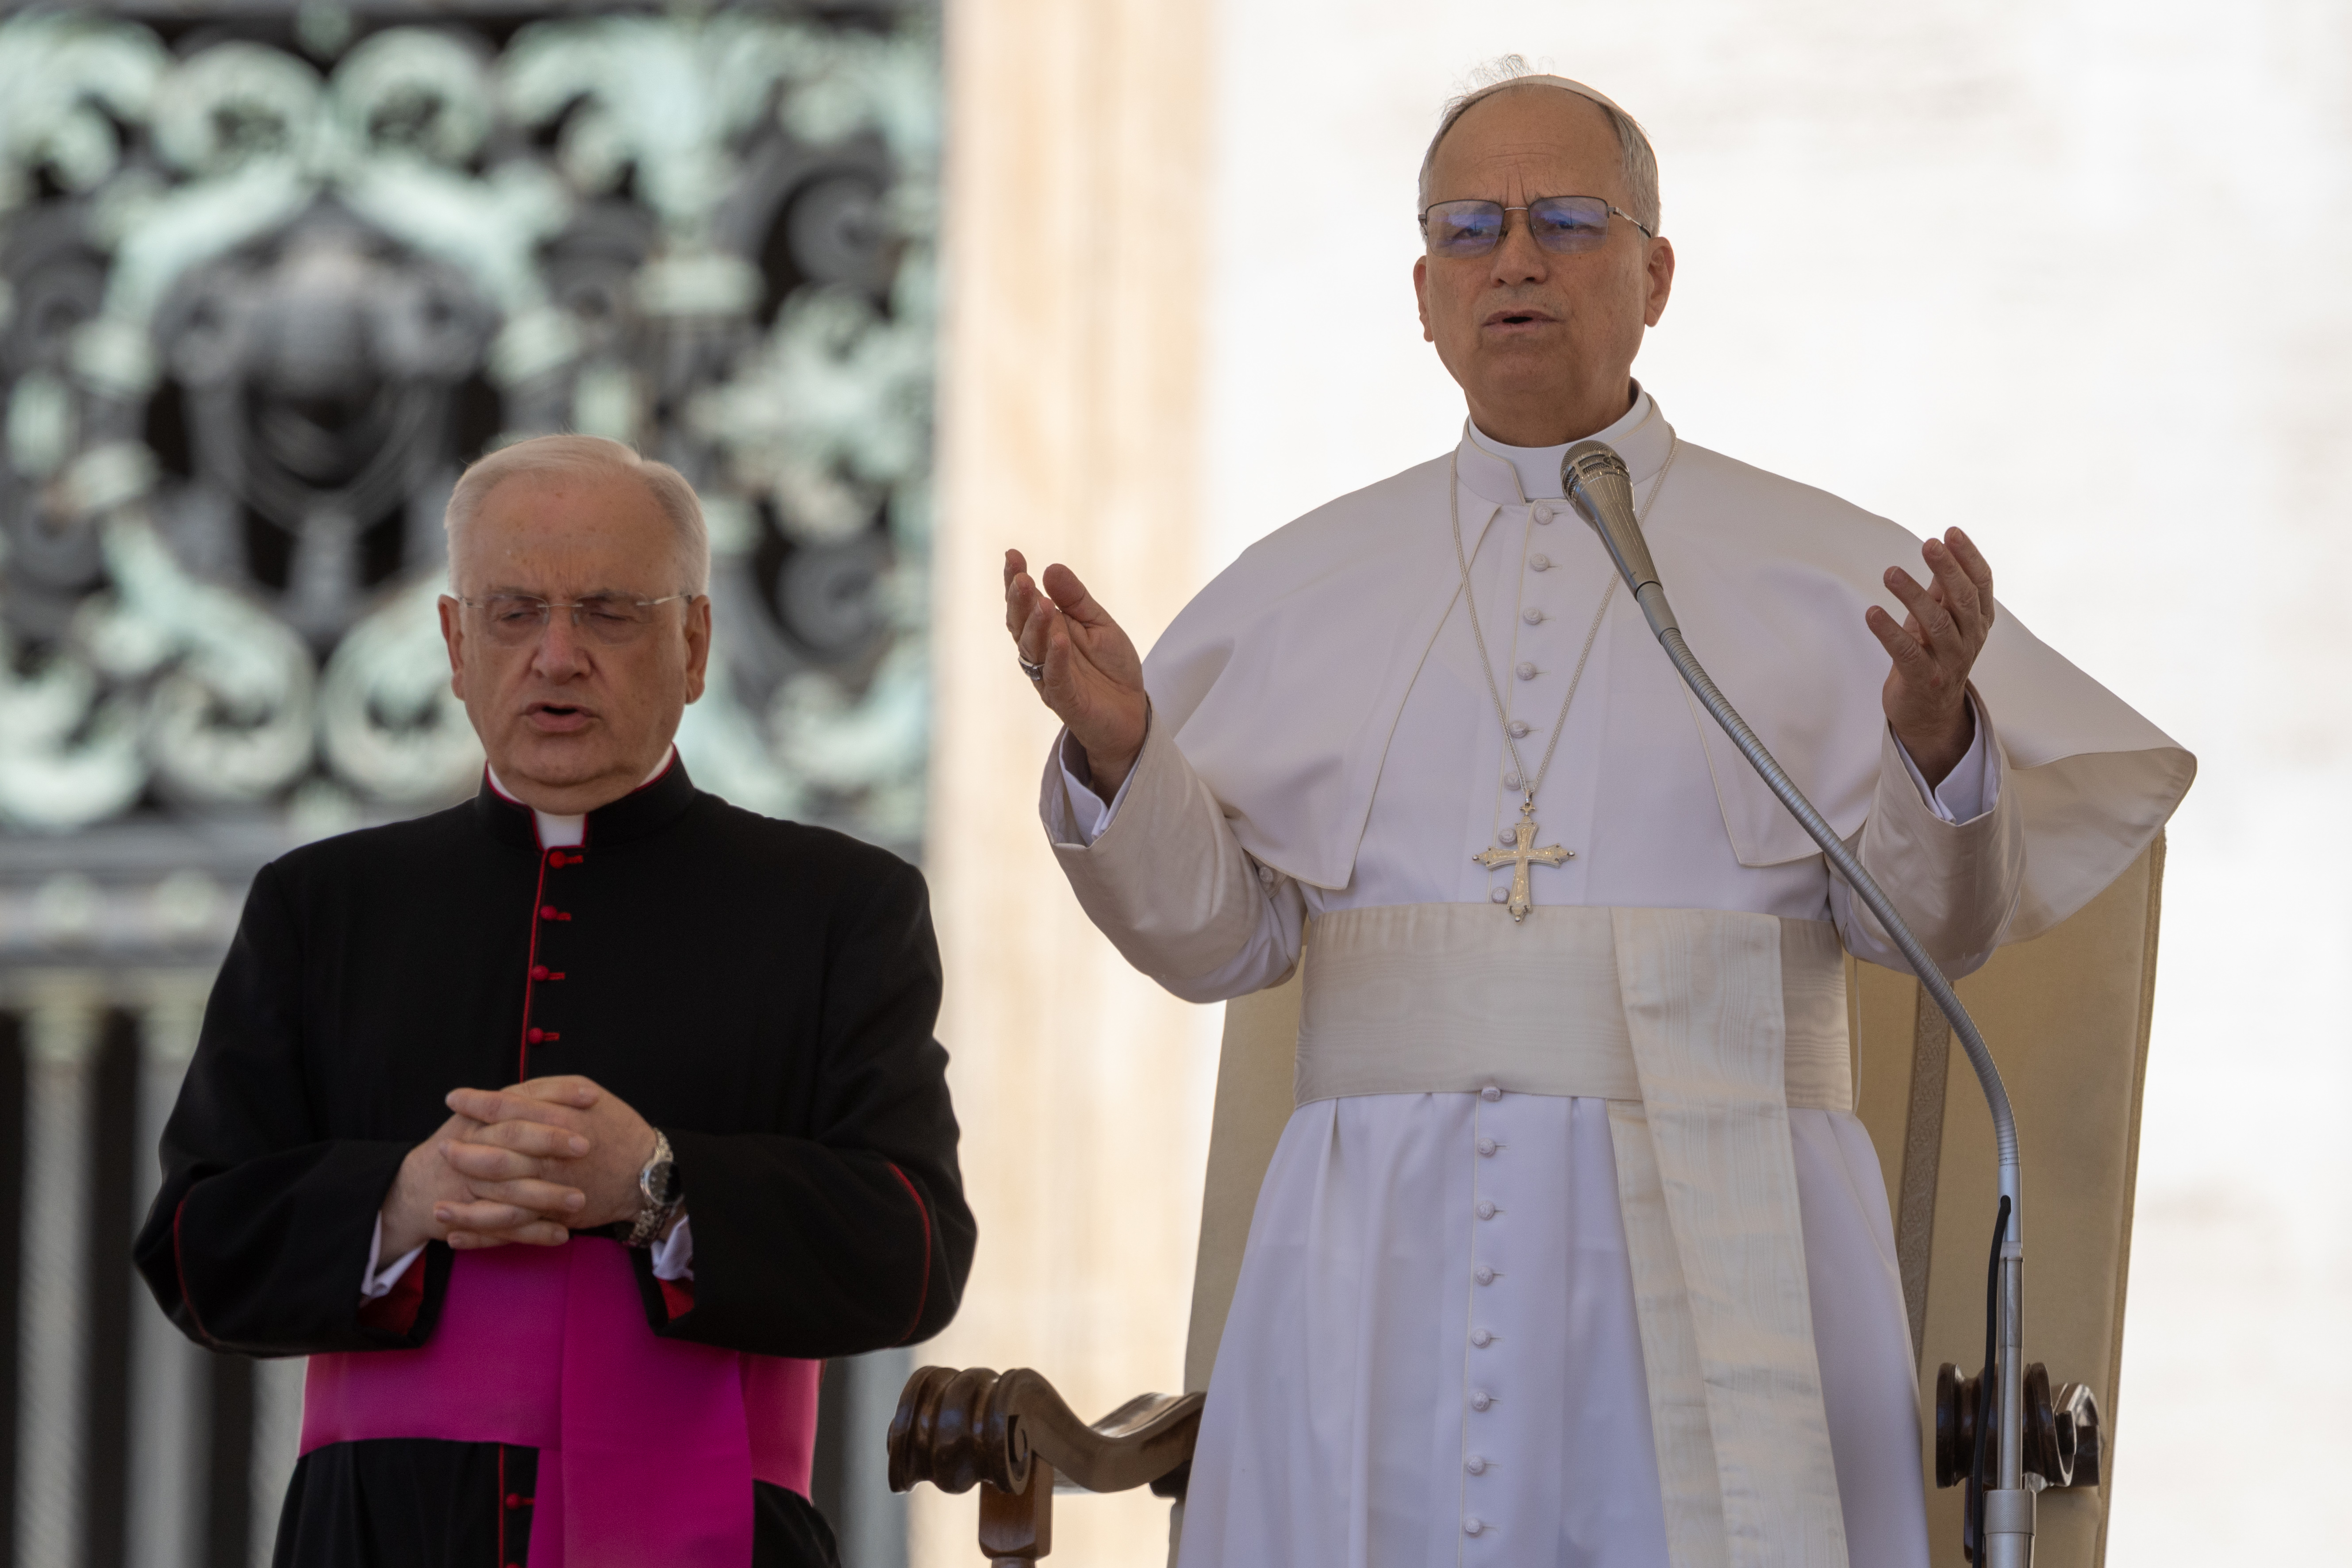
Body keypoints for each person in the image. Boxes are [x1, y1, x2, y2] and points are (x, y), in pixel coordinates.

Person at [1004, 65, 2192, 1567]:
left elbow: (1929, 931)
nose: (1513, 259)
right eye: (1468, 228)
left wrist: (1932, 736)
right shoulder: (1297, 585)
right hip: (1374, 1256)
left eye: (1565, 221)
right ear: (1422, 293)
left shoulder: (1826, 570)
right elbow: (1217, 943)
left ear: (1655, 276)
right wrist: (1122, 754)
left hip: (1726, 1237)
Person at [135, 434, 975, 1567]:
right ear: (455, 644)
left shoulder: (837, 906)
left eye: (611, 613)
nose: (558, 654)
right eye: (515, 611)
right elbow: (196, 1247)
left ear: (694, 643)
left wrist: (658, 1185)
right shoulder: (321, 905)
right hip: (379, 1535)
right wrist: (404, 1198)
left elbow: (915, 1250)